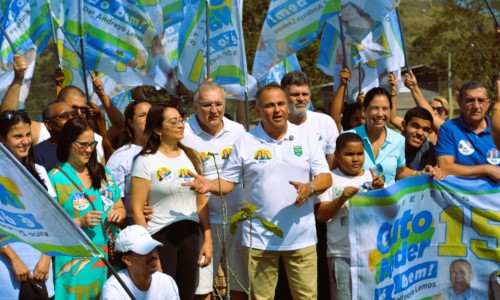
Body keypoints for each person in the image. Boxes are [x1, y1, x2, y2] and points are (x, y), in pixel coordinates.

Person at [184, 83, 332, 299]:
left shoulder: (306, 137)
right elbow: (228, 182)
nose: (277, 109)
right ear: (258, 110)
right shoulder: (245, 141)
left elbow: (325, 177)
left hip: (301, 238)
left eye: (281, 104)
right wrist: (208, 185)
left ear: (288, 107)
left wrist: (310, 187)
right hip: (259, 241)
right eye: (270, 105)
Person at [130, 103, 212, 300]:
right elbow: (136, 209)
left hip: (190, 235)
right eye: (173, 122)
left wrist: (207, 240)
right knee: (164, 295)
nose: (180, 125)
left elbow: (201, 202)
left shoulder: (191, 156)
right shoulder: (145, 160)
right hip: (161, 237)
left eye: (181, 120)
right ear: (158, 129)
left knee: (186, 295)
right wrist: (150, 251)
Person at [181, 81, 247, 299]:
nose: (214, 110)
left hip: (237, 220)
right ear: (195, 106)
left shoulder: (238, 131)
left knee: (240, 285)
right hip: (200, 224)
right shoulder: (184, 132)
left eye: (219, 104)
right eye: (207, 104)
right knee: (202, 289)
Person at [49, 117, 125, 299]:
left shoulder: (103, 172)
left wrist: (118, 214)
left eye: (92, 144)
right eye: (83, 144)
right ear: (68, 144)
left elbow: (120, 206)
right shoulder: (55, 179)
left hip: (110, 260)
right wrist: (79, 222)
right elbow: (49, 227)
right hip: (75, 265)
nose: (90, 149)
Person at [281, 71, 339, 299]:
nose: (300, 98)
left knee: (316, 273)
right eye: (294, 94)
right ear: (284, 96)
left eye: (305, 93)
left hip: (318, 208)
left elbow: (331, 166)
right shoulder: (276, 124)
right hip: (285, 209)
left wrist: (315, 189)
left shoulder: (324, 122)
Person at [315, 132, 384, 300]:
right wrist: (342, 199)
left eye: (359, 154)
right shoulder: (329, 179)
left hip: (371, 253)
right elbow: (321, 215)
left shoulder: (373, 178)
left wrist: (381, 191)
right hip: (341, 254)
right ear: (337, 156)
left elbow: (388, 213)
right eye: (349, 154)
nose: (355, 159)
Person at [0, 109, 55, 299]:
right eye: (17, 136)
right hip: (7, 274)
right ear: (2, 139)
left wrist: (46, 257)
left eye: (27, 135)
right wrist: (14, 258)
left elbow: (53, 220)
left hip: (42, 271)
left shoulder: (39, 171)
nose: (25, 141)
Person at [347, 87, 441, 186]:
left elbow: (400, 171)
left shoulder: (398, 140)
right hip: (356, 199)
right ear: (364, 110)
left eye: (385, 109)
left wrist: (420, 174)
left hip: (389, 200)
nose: (380, 114)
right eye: (375, 108)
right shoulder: (347, 137)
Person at [435, 81, 500, 181]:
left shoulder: (497, 130)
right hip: (461, 195)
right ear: (460, 103)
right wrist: (487, 169)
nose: (476, 106)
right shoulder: (449, 128)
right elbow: (445, 168)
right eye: (470, 100)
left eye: (481, 100)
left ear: (488, 104)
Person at [101, 225, 180, 300]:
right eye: (145, 250)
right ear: (127, 260)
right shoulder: (113, 289)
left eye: (153, 247)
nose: (153, 254)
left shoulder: (167, 281)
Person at [107, 99, 152, 226]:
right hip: (138, 229)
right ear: (131, 123)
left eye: (151, 114)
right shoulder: (119, 158)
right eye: (142, 115)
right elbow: (112, 201)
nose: (148, 119)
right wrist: (135, 211)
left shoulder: (172, 149)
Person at [34, 102, 78, 172]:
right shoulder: (37, 155)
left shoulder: (85, 147)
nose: (71, 119)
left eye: (73, 114)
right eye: (63, 116)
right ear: (48, 124)